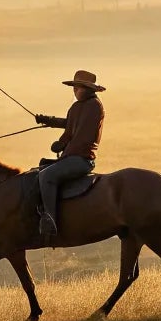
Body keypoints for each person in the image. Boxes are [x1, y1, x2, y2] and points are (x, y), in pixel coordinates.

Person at [31, 69, 105, 240]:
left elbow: (80, 135)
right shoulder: (77, 107)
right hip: (71, 156)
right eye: (74, 87)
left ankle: (51, 220)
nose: (74, 90)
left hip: (81, 159)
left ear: (87, 89)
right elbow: (69, 124)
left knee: (46, 176)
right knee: (40, 169)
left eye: (77, 87)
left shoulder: (94, 106)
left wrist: (62, 144)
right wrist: (47, 120)